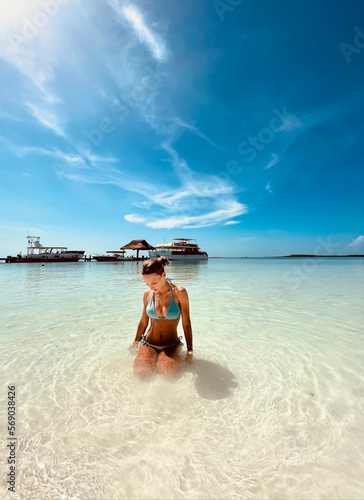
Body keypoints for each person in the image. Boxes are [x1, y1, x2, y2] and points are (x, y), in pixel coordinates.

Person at [130, 256, 193, 378]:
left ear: (164, 274)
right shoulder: (148, 294)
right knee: (141, 375)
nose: (151, 287)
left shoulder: (180, 293)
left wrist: (190, 351)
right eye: (147, 283)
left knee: (168, 376)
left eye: (154, 282)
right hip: (149, 343)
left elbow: (186, 323)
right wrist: (136, 341)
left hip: (171, 345)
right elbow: (144, 321)